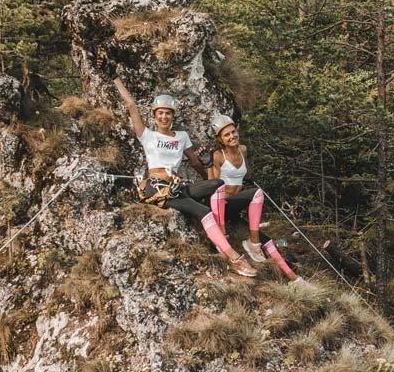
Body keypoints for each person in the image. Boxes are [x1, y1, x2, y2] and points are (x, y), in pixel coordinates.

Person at [113, 78, 257, 278]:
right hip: (158, 188)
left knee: (217, 183)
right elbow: (131, 105)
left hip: (177, 187)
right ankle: (233, 258)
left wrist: (208, 169)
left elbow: (197, 163)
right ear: (154, 116)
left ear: (173, 116)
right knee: (203, 211)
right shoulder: (147, 135)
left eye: (168, 113)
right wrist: (116, 79)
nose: (164, 116)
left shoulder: (181, 136)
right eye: (160, 113)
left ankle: (221, 233)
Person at [206, 114, 302, 284]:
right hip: (223, 207)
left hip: (236, 209)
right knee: (256, 193)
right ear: (220, 140)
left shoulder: (243, 150)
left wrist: (246, 179)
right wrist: (207, 164)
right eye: (226, 135)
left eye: (233, 132)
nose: (232, 136)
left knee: (269, 242)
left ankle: (294, 279)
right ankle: (250, 242)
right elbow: (213, 185)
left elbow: (247, 173)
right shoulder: (218, 156)